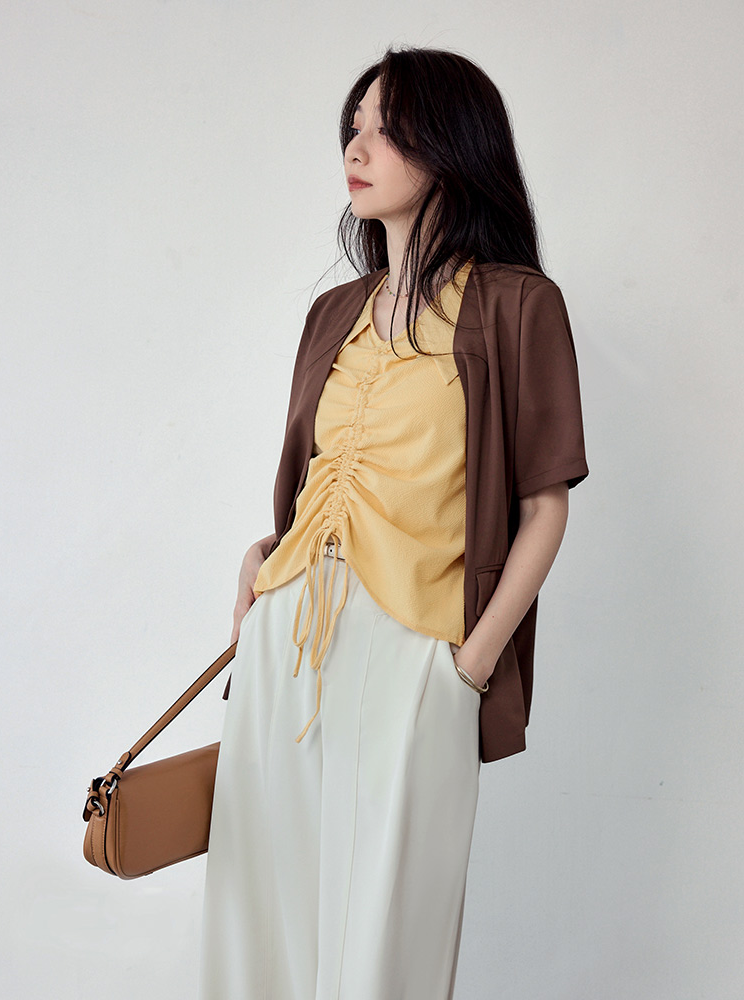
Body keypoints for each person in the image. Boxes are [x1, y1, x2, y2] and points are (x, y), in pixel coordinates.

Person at [198, 44, 589, 1000]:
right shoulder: (333, 312)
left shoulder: (518, 306)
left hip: (418, 650)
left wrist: (470, 667)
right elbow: (319, 481)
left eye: (387, 128)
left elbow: (544, 508)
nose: (356, 147)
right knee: (259, 925)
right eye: (353, 126)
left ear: (452, 144)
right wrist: (258, 561)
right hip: (286, 642)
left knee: (386, 947)